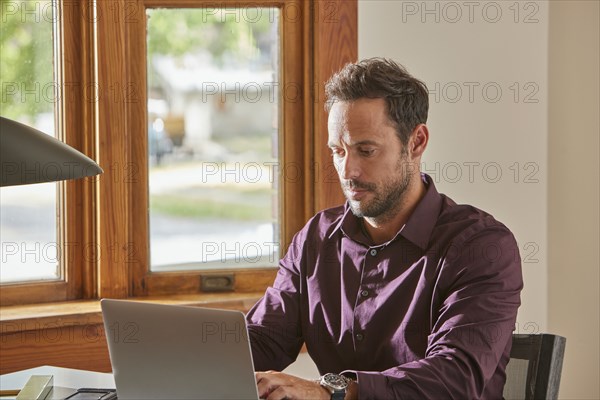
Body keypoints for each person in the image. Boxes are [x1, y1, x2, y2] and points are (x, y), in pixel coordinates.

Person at [247, 58, 523, 399]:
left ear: (416, 142)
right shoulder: (315, 239)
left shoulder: (481, 247)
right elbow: (264, 338)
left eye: (366, 150)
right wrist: (182, 356)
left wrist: (332, 392)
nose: (349, 170)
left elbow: (456, 376)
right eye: (338, 150)